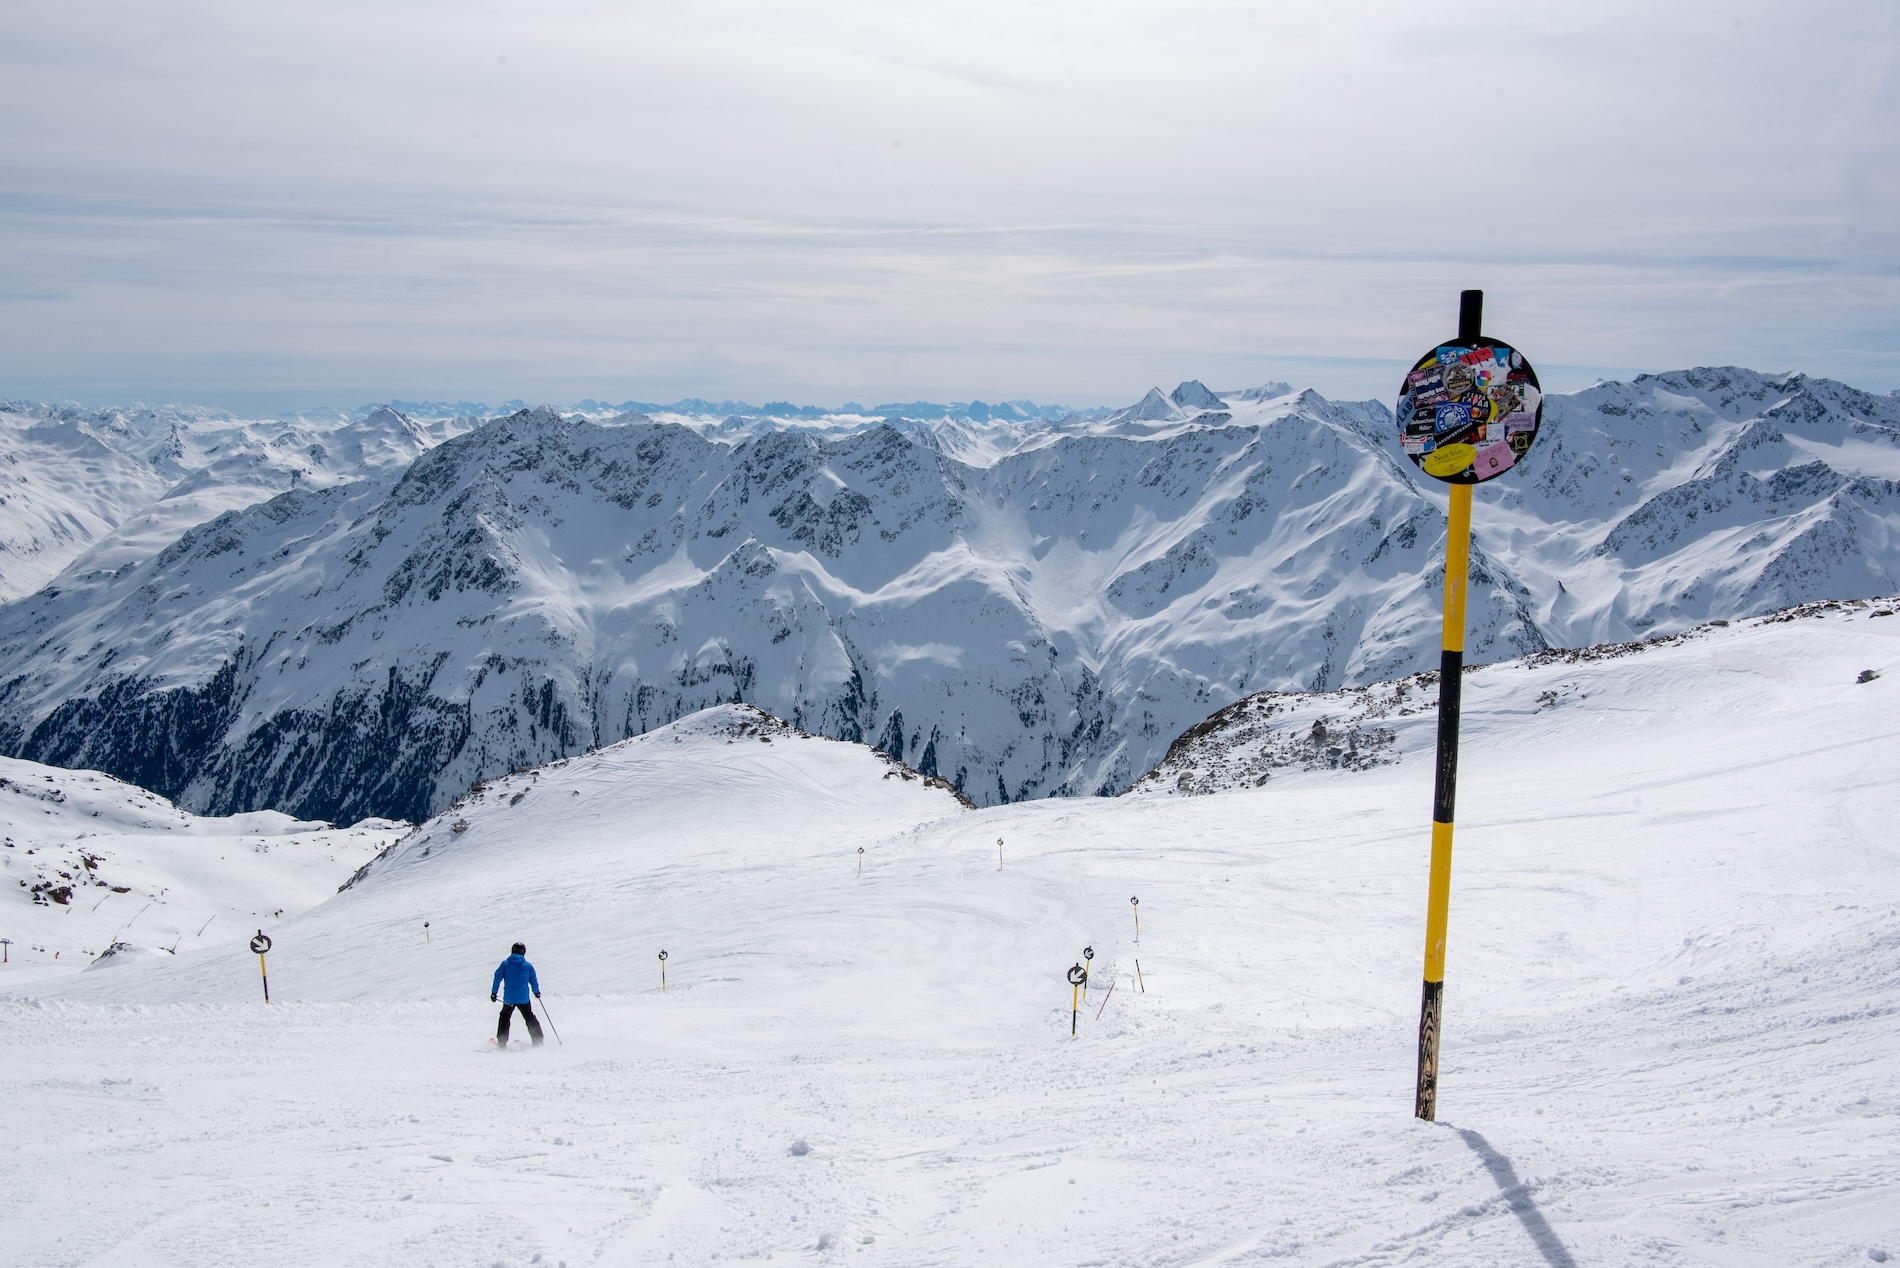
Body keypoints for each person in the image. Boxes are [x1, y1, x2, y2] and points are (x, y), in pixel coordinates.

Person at [490, 942, 544, 1049]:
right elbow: (533, 980)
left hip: (509, 999)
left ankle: (501, 1043)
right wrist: (536, 992)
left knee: (505, 1017)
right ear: (523, 952)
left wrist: (494, 992)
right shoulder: (527, 966)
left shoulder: (505, 964)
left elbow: (497, 977)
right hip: (523, 999)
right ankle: (538, 1041)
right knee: (529, 1018)